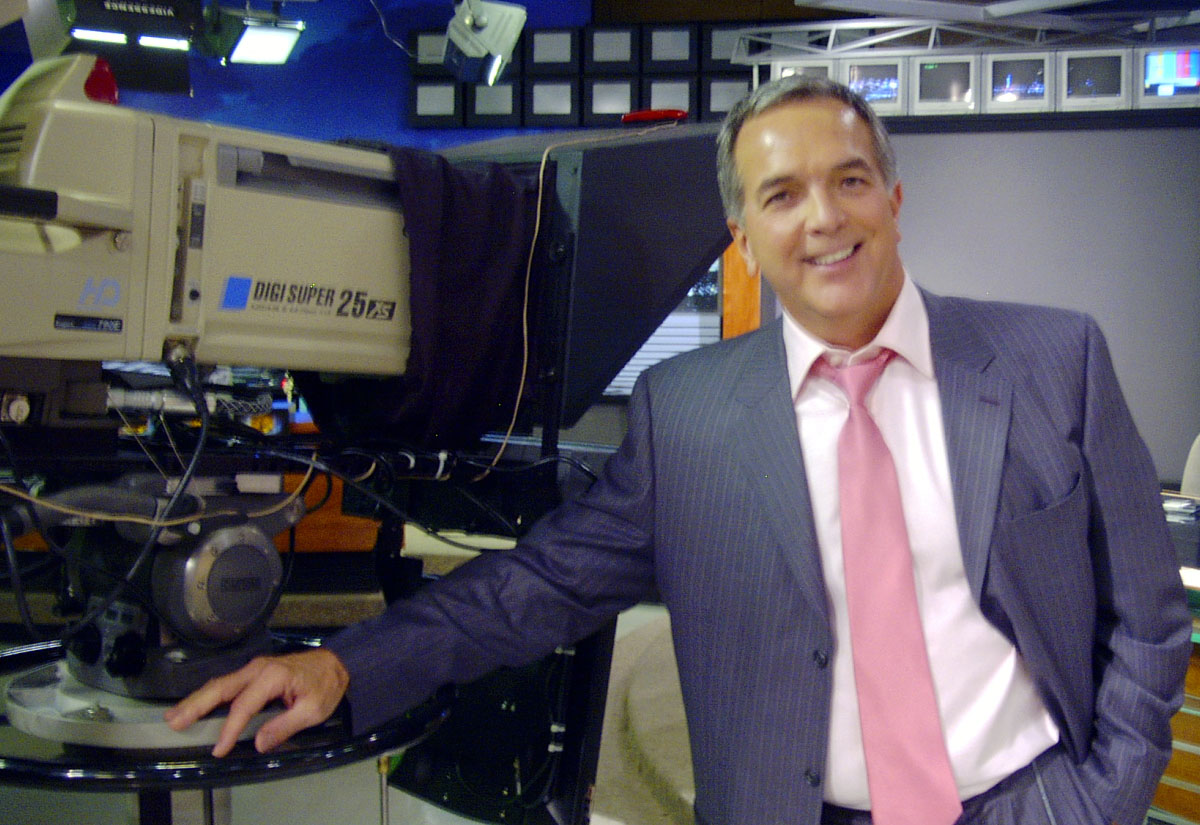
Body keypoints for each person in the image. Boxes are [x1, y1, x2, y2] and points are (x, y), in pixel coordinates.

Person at [166, 75, 1191, 825]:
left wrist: (1098, 803)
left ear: (893, 197)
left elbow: (1148, 619)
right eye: (781, 195)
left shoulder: (1054, 360)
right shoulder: (688, 416)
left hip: (1030, 802)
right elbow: (538, 587)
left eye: (850, 180)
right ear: (741, 235)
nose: (824, 218)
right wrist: (343, 665)